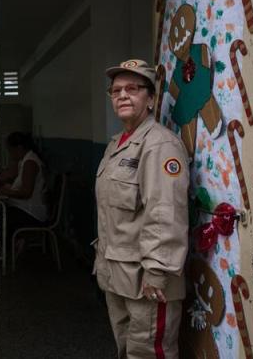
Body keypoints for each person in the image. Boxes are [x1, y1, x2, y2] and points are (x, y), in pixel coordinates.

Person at [94, 59, 189, 358]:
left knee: (149, 352)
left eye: (133, 89)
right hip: (118, 275)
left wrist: (158, 271)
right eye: (116, 90)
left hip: (148, 281)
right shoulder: (118, 143)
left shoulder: (160, 145)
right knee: (127, 349)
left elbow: (165, 213)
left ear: (151, 98)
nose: (122, 95)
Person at [0, 132, 49, 251]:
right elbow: (11, 175)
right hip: (24, 209)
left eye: (10, 150)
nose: (10, 154)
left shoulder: (30, 163)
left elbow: (26, 193)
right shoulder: (24, 160)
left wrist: (6, 192)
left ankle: (8, 250)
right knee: (0, 212)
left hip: (31, 214)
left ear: (19, 148)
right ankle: (10, 246)